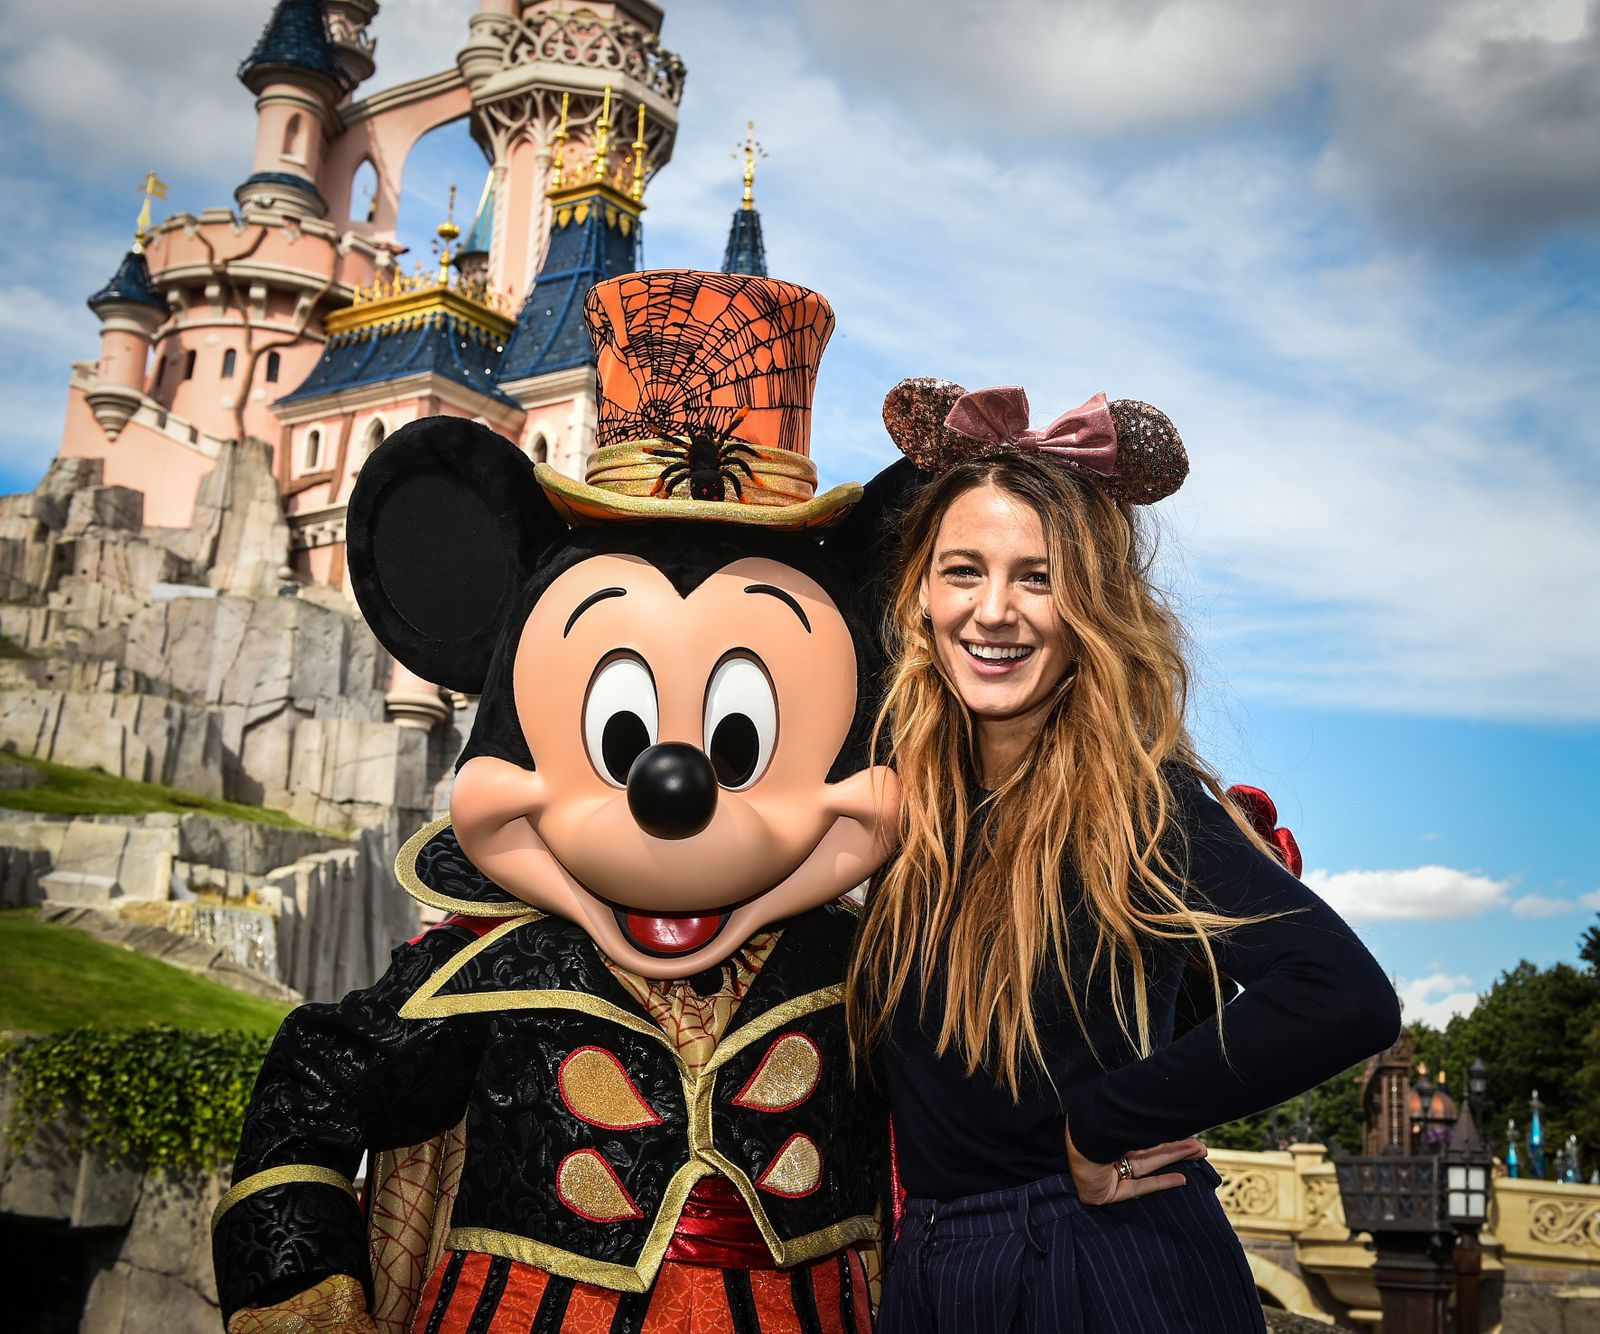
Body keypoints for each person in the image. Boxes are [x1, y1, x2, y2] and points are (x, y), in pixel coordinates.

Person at [849, 379, 1402, 1332]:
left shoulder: (1137, 806)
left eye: (1038, 576)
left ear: (1092, 607)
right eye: (963, 571)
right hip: (936, 1269)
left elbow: (1342, 994)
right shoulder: (911, 804)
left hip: (1095, 1266)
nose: (994, 611)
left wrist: (1111, 1123)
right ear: (920, 593)